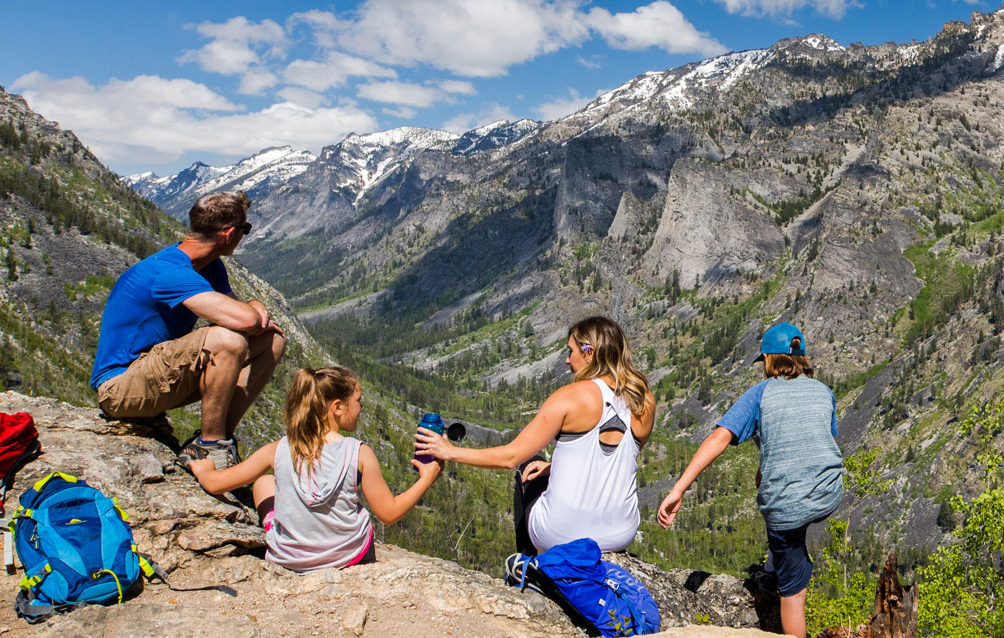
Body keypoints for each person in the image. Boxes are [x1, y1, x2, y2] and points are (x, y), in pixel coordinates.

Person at [656, 321, 842, 638]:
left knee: (793, 588)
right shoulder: (823, 391)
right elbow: (809, 439)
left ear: (769, 359)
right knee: (790, 521)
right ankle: (779, 561)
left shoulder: (761, 393)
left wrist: (679, 489)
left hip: (788, 503)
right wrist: (767, 466)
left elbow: (719, 438)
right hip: (829, 490)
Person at [415, 315, 655, 559]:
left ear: (589, 353)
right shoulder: (644, 400)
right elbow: (615, 462)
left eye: (571, 352)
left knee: (526, 465)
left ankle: (530, 566)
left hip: (560, 535)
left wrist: (449, 451)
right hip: (620, 534)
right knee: (542, 466)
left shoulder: (570, 396)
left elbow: (510, 456)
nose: (567, 360)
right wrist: (554, 467)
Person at [91, 190, 285, 469]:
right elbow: (246, 321)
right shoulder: (170, 272)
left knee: (272, 341)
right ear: (229, 234)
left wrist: (252, 304)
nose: (245, 235)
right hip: (120, 388)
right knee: (227, 340)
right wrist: (252, 312)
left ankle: (219, 439)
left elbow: (237, 309)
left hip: (156, 377)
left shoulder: (209, 266)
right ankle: (211, 446)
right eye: (246, 229)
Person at [187, 365, 438, 570]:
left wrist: (203, 469)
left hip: (289, 560)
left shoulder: (279, 449)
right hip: (349, 556)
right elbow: (389, 513)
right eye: (358, 401)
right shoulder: (358, 452)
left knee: (263, 482)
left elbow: (215, 484)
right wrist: (426, 478)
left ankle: (278, 529)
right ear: (337, 407)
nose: (361, 408)